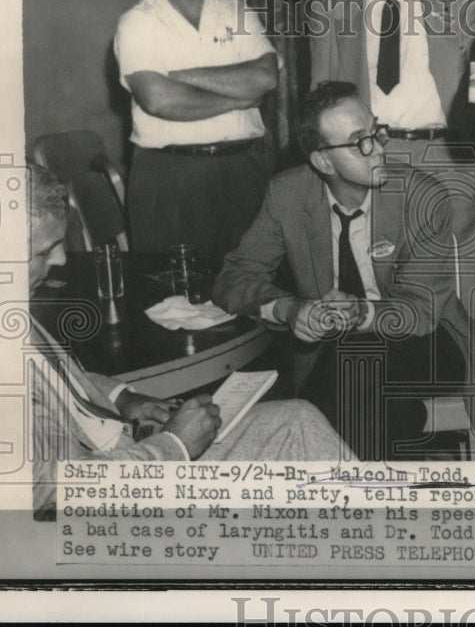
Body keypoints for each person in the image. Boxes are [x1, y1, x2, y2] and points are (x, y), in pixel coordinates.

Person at [27, 164, 345, 520]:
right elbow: (48, 488)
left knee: (296, 420)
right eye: (43, 251)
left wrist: (123, 398)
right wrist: (174, 445)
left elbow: (51, 379)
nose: (61, 258)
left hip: (125, 450)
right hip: (107, 506)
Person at [212, 82, 475, 460]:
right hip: (342, 359)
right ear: (323, 162)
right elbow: (233, 278)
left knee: (356, 362)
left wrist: (361, 313)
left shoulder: (420, 196)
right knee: (366, 380)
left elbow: (423, 310)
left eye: (375, 132)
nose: (379, 148)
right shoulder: (288, 194)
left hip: (429, 342)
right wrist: (291, 309)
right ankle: (383, 487)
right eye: (358, 141)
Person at [307, 0, 475, 320]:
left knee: (466, 295)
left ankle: (473, 385)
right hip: (373, 159)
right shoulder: (329, 5)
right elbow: (321, 102)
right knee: (389, 289)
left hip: (449, 156)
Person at [114, 0, 279, 258]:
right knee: (173, 300)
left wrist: (183, 75)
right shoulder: (137, 23)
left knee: (255, 285)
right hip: (170, 176)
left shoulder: (236, 13)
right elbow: (159, 100)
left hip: (244, 171)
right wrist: (239, 97)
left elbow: (265, 77)